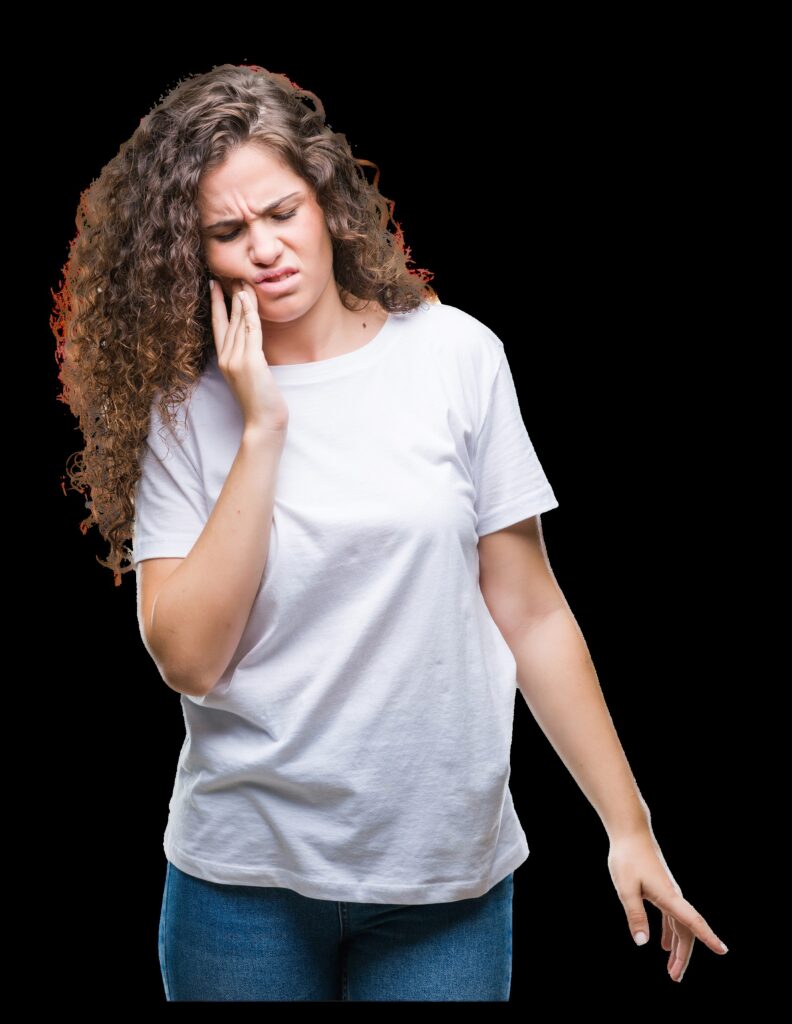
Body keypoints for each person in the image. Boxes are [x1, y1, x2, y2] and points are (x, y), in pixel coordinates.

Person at [53, 64, 729, 1001]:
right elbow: (188, 659)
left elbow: (530, 612)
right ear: (193, 254)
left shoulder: (456, 357)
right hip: (241, 887)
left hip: (443, 884)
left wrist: (629, 825)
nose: (265, 249)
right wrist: (263, 428)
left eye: (282, 212)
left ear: (326, 200)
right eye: (228, 231)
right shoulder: (183, 412)